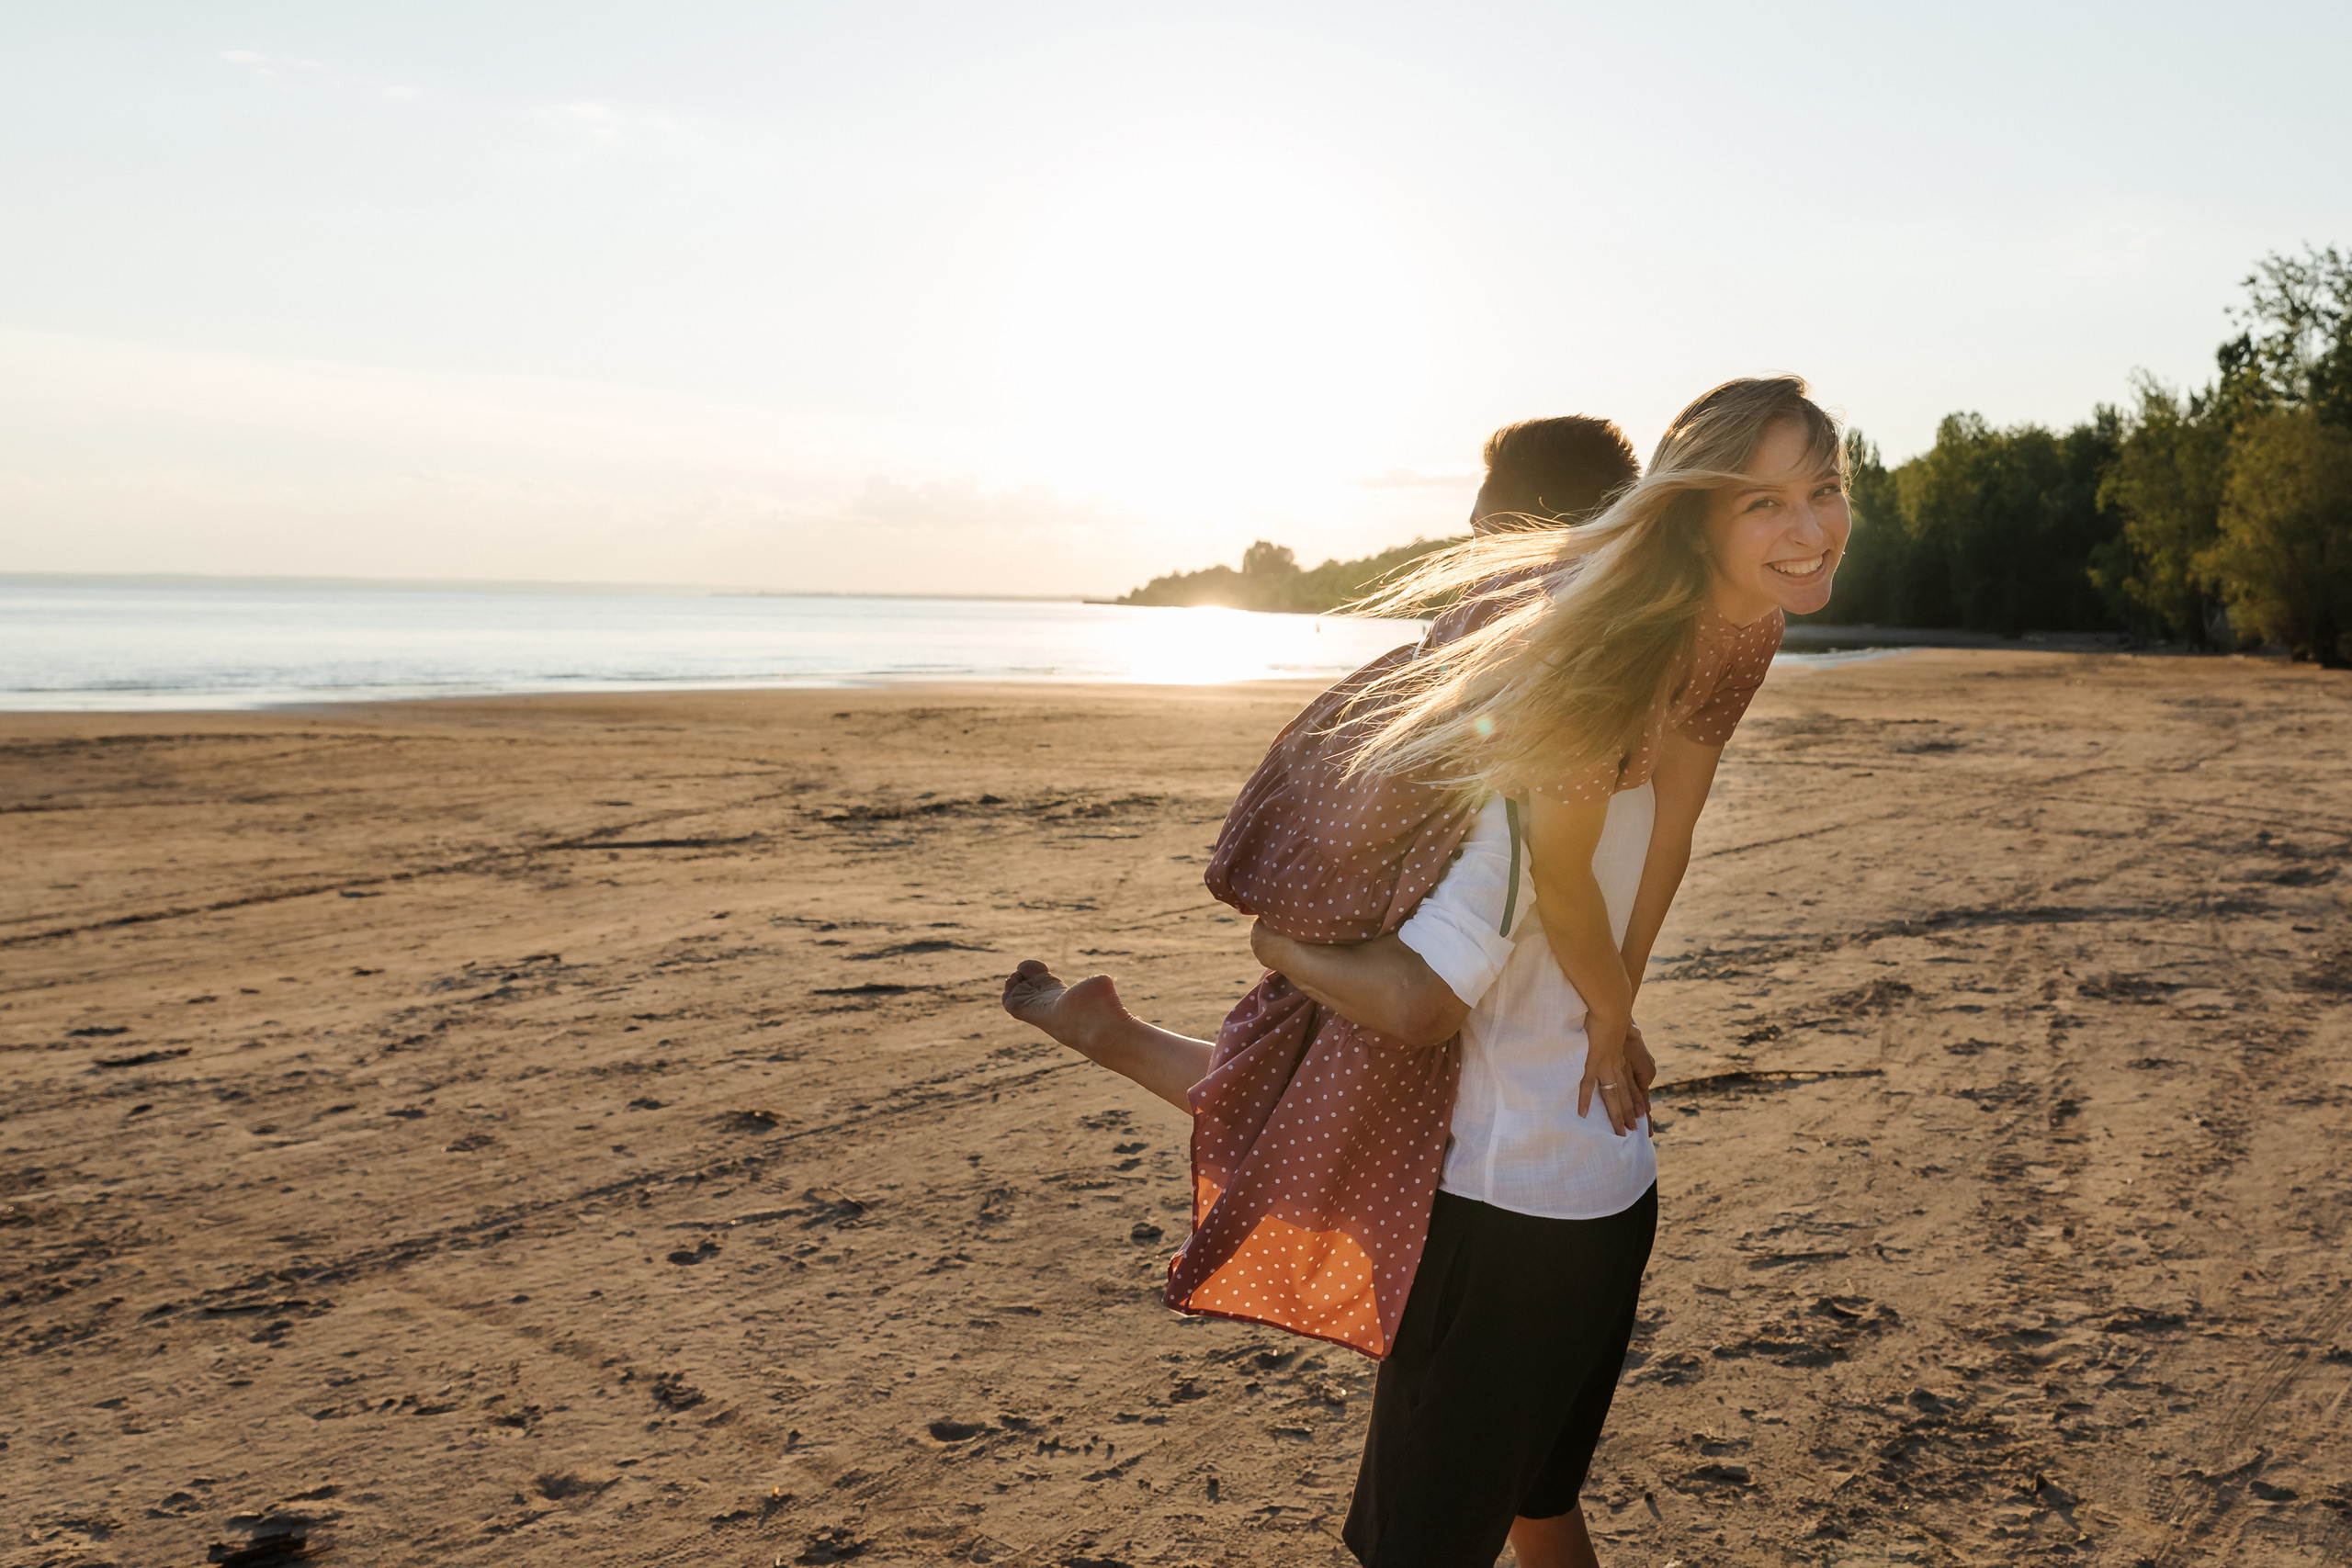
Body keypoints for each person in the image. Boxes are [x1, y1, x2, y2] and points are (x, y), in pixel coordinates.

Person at [1003, 378, 1850, 1567]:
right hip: (1613, 1190)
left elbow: (1418, 999)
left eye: (1817, 494)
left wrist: (1280, 943)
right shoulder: (1682, 666)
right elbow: (1668, 834)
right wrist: (1618, 1007)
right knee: (1540, 1507)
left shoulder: (1553, 728)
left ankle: (1112, 1033)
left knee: (1322, 1103)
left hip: (1510, 1218)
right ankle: (1113, 1033)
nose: (1807, 525)